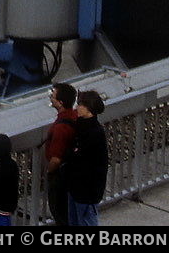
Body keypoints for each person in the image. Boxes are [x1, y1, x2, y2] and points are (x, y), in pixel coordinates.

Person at [66, 90, 108, 226]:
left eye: (80, 104)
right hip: (75, 186)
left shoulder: (95, 132)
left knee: (86, 222)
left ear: (88, 108)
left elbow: (90, 162)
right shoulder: (81, 125)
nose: (77, 107)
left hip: (87, 191)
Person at [46, 81, 77, 225]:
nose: (50, 97)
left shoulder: (60, 128)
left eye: (53, 96)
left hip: (61, 176)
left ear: (60, 103)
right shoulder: (76, 117)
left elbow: (56, 159)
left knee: (60, 212)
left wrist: (49, 172)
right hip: (73, 172)